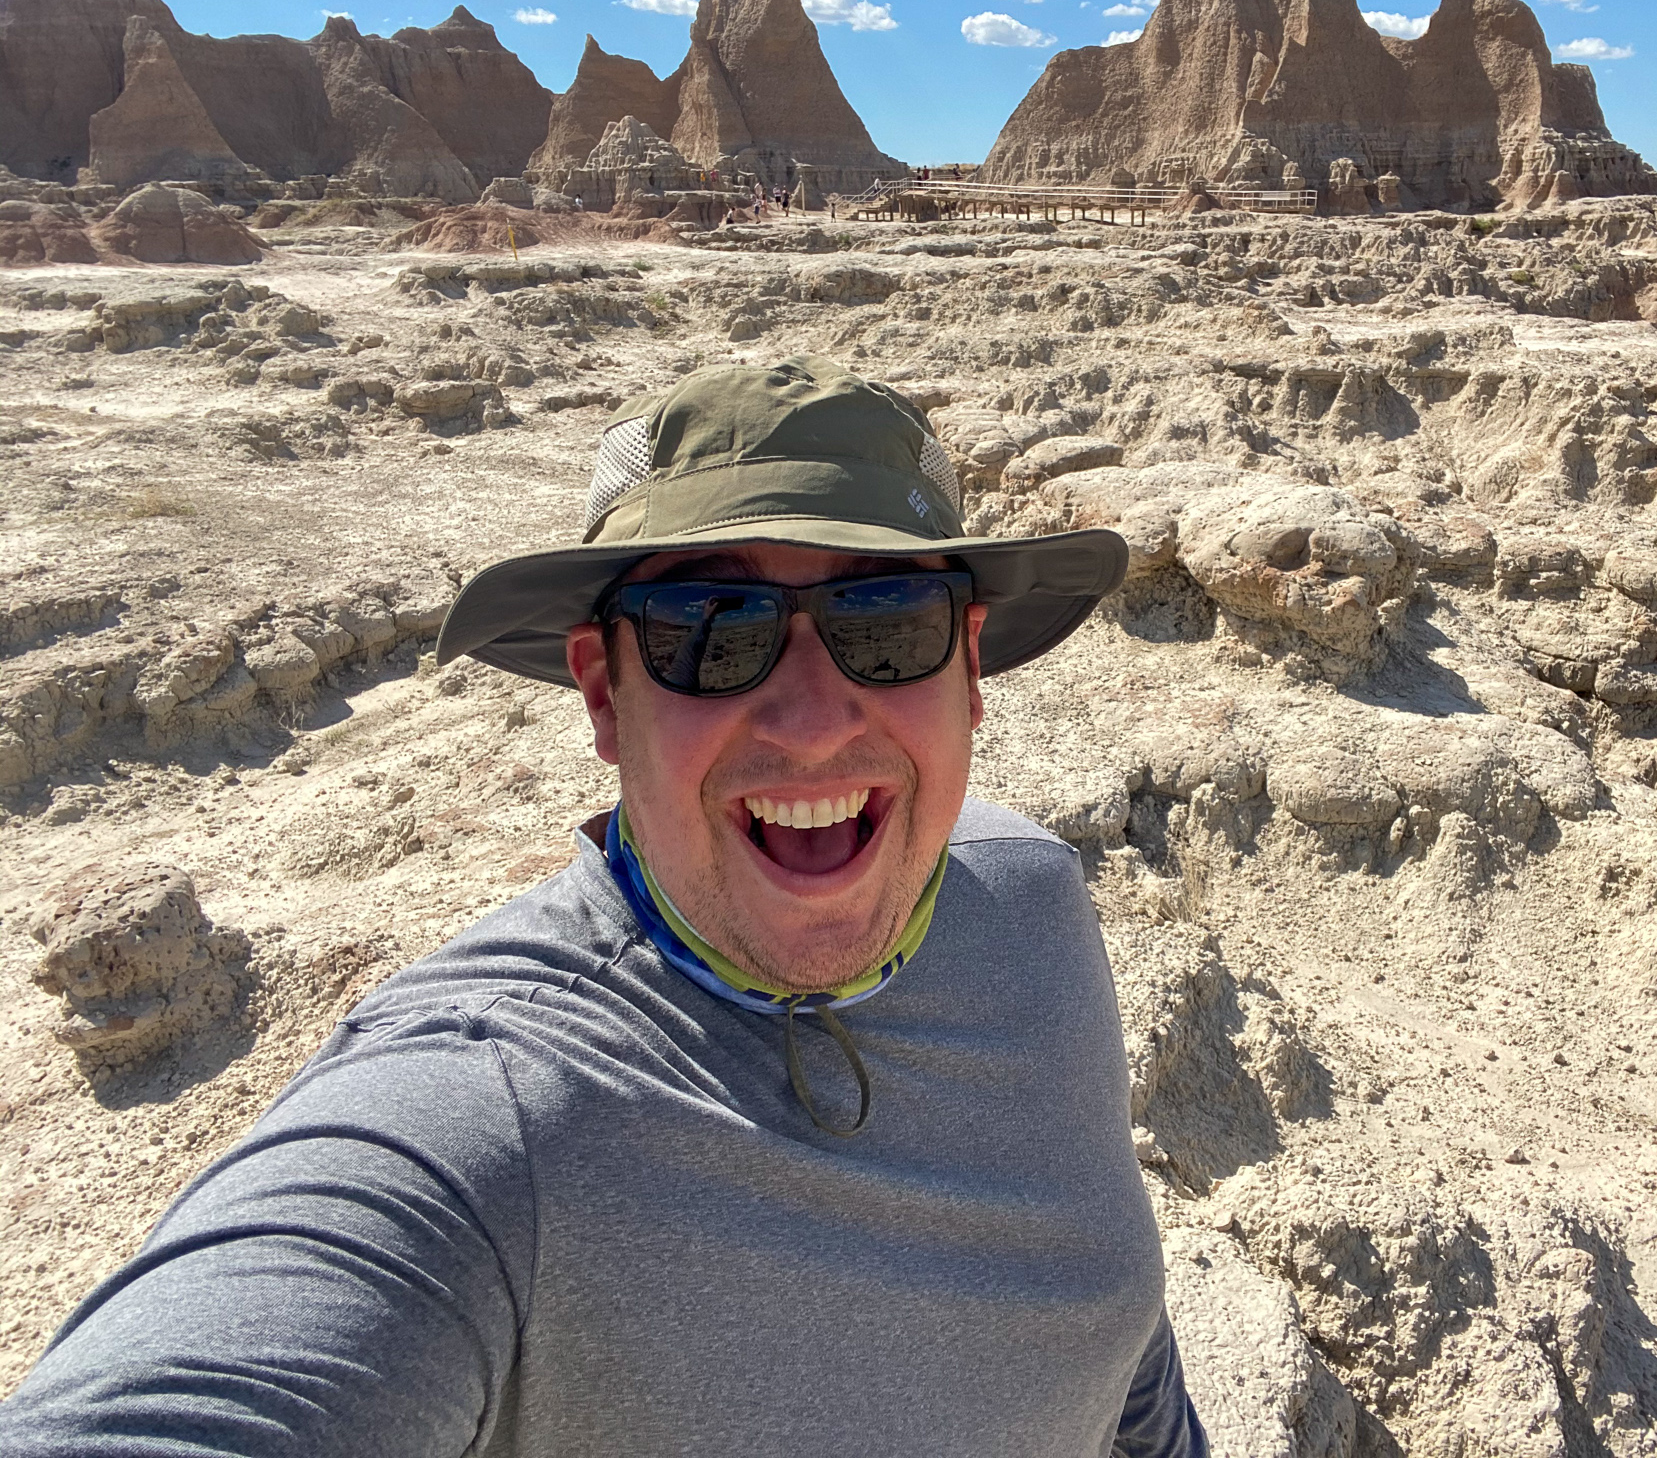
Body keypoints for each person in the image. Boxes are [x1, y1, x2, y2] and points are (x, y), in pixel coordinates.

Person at [0, 356, 1210, 1458]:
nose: (809, 716)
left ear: (968, 670)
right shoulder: (484, 1120)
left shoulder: (1030, 898)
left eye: (884, 623)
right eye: (708, 632)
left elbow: (1109, 1330)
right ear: (602, 692)